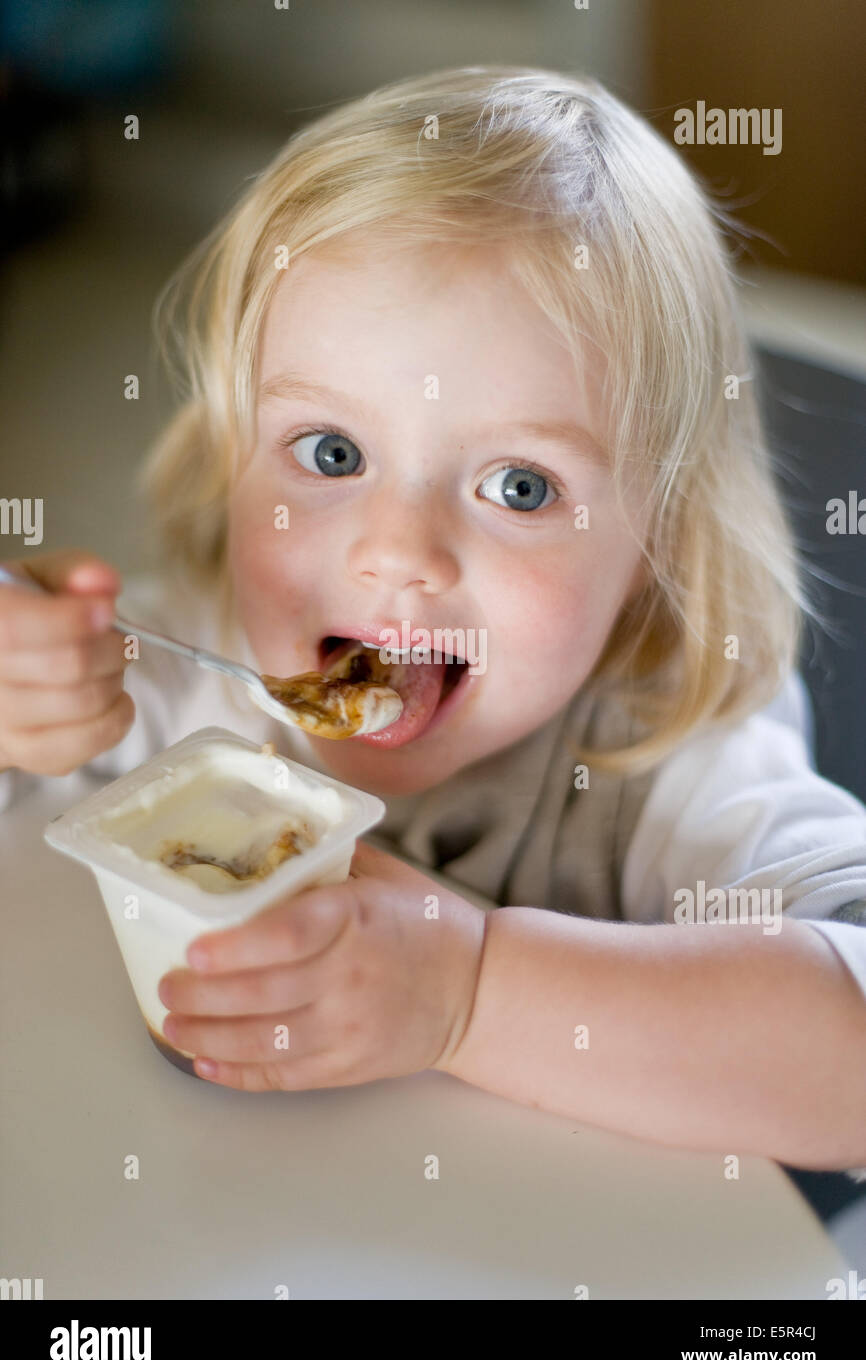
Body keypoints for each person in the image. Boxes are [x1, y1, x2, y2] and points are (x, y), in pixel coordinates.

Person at [2, 67, 865, 1172]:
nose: (394, 554)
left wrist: (467, 991)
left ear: (658, 542)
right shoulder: (176, 674)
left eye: (518, 486)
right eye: (331, 453)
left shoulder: (666, 761)